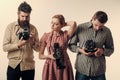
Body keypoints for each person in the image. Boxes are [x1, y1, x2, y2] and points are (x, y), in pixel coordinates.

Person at [68, 11, 114, 80]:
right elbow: (71, 45)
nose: (98, 28)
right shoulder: (80, 27)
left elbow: (111, 49)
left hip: (99, 70)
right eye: (96, 25)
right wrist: (80, 50)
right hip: (82, 68)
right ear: (92, 18)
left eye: (101, 26)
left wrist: (102, 51)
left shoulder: (107, 31)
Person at [3, 1, 39, 80]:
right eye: (22, 16)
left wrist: (33, 42)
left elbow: (39, 49)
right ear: (18, 14)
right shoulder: (10, 27)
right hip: (13, 66)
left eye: (27, 16)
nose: (25, 19)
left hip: (29, 66)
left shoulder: (33, 29)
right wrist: (19, 44)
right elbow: (5, 47)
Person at [39, 14, 77, 80]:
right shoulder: (46, 36)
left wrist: (63, 24)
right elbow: (40, 56)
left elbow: (74, 23)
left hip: (63, 63)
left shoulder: (65, 35)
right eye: (52, 22)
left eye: (56, 24)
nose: (52, 25)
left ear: (62, 25)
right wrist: (49, 56)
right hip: (50, 65)